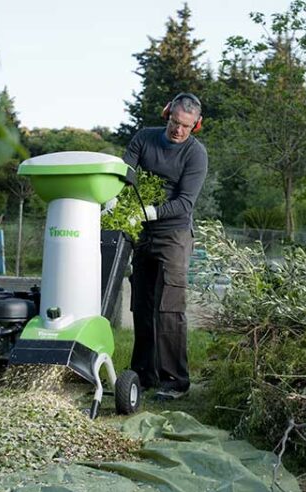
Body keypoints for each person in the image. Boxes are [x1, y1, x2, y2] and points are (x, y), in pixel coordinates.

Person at [122, 92, 208, 400]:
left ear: (195, 126)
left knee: (169, 307)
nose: (179, 131)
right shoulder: (144, 139)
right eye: (175, 122)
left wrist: (153, 211)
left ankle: (175, 381)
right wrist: (112, 201)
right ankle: (144, 375)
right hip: (140, 231)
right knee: (142, 304)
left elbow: (185, 202)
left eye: (186, 126)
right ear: (166, 114)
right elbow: (124, 175)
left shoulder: (195, 155)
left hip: (174, 234)